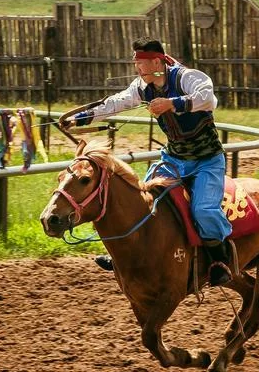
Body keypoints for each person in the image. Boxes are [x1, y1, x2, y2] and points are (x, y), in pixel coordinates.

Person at [62, 37, 234, 286]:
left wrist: (171, 104)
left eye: (140, 62)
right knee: (140, 201)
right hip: (174, 159)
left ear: (156, 61)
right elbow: (116, 103)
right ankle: (125, 254)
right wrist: (81, 118)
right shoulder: (141, 88)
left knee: (204, 210)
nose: (136, 68)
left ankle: (221, 260)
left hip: (207, 161)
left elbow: (208, 99)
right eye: (135, 63)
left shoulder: (187, 77)